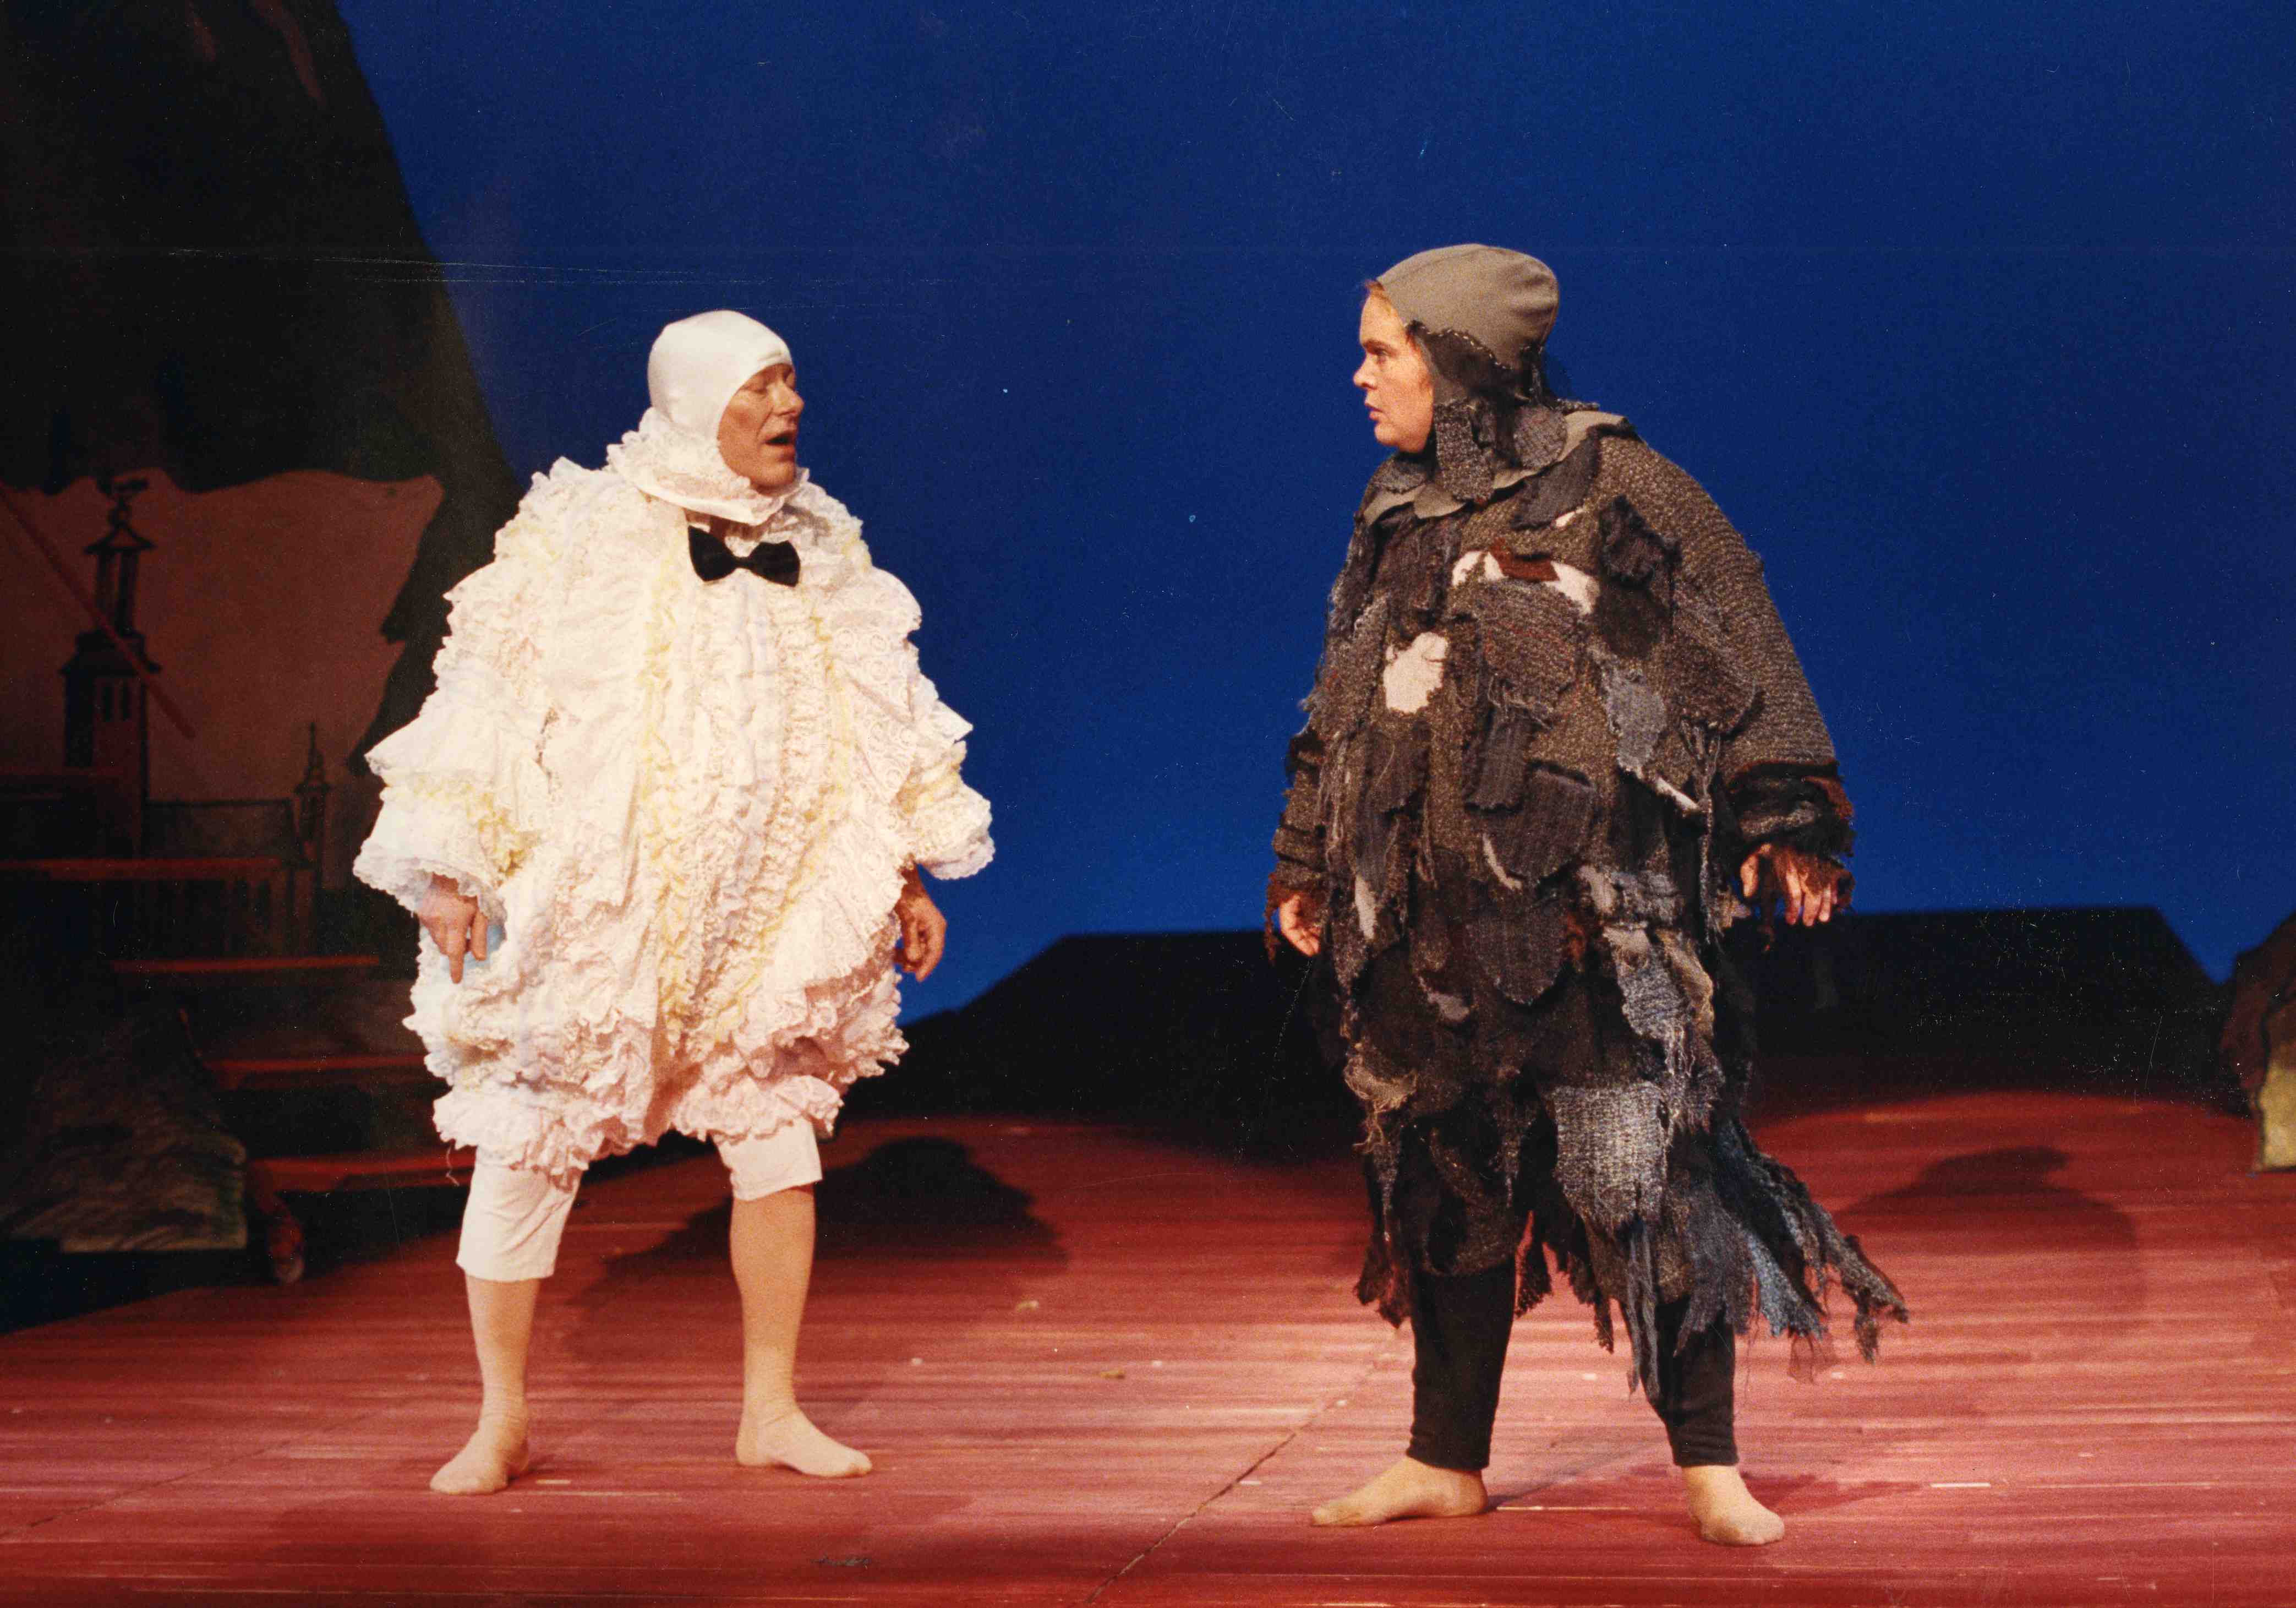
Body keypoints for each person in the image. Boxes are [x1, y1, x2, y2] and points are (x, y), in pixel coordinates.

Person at [1268, 246, 1906, 1544]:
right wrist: (1307, 855)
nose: (1361, 375)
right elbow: (1345, 687)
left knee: (1645, 1170)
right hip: (1430, 923)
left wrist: (1784, 816)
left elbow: (1738, 636)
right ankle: (1443, 1459)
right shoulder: (1396, 505)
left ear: (1454, 358)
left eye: (1382, 351)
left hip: (1595, 923)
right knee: (1446, 1177)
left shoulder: (1615, 480)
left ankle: (1709, 1467)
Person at [354, 310, 992, 1495]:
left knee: (778, 1136)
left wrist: (903, 872)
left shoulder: (823, 540)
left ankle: (771, 1410)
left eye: (792, 382)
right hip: (607, 904)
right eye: (761, 387)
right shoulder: (583, 526)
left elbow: (879, 712)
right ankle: (500, 1419)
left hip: (765, 907)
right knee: (530, 1135)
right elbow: (486, 691)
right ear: (698, 402)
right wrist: (446, 868)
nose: (789, 406)